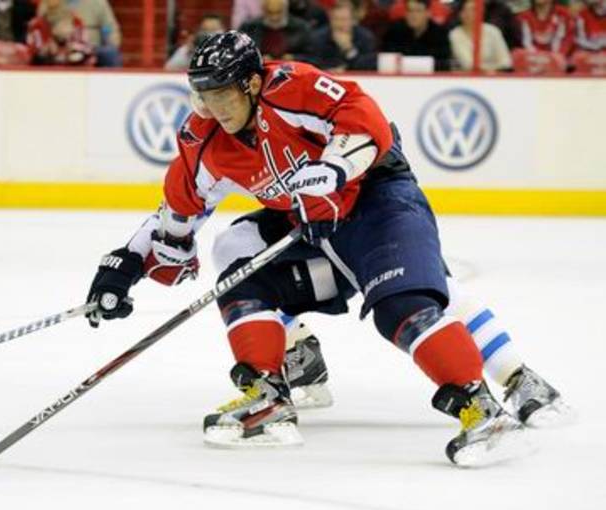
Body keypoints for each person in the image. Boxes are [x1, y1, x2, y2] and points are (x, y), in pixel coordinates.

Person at [85, 31, 570, 467]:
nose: (214, 107)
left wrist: (335, 167)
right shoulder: (206, 141)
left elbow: (367, 121)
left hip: (377, 200)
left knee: (406, 303)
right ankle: (270, 391)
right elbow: (176, 219)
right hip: (312, 227)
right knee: (237, 251)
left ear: (251, 83)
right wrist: (125, 265)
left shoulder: (292, 87)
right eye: (204, 95)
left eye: (222, 94)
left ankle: (484, 404)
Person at [382, 0, 452, 70]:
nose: (413, 15)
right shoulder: (395, 31)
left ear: (428, 13)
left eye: (418, 11)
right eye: (410, 10)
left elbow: (443, 63)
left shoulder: (439, 34)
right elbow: (386, 58)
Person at [307, 1, 377, 70]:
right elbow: (314, 63)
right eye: (336, 19)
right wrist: (330, 69)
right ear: (330, 20)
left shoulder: (365, 37)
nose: (340, 24)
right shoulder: (318, 37)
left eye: (344, 19)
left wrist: (349, 50)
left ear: (352, 21)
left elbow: (369, 65)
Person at [238, 0, 312, 61]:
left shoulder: (301, 28)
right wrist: (259, 59)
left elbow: (313, 58)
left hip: (294, 70)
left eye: (278, 12)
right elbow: (240, 56)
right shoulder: (249, 28)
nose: (274, 17)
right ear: (263, 10)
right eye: (270, 12)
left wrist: (294, 57)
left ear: (285, 9)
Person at [449, 0, 512, 71]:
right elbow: (468, 65)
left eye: (473, 10)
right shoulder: (455, 34)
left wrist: (492, 71)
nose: (468, 13)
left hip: (495, 75)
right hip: (466, 76)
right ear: (459, 14)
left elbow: (506, 62)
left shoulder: (493, 31)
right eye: (464, 10)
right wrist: (492, 68)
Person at [26, 0, 94, 65]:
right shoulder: (36, 25)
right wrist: (46, 49)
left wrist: (69, 47)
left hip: (74, 67)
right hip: (45, 68)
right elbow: (33, 53)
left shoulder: (76, 22)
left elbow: (86, 49)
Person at [66, 0, 121, 66]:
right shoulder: (57, 3)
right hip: (64, 46)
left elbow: (110, 28)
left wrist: (111, 43)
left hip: (92, 48)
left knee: (110, 53)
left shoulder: (98, 2)